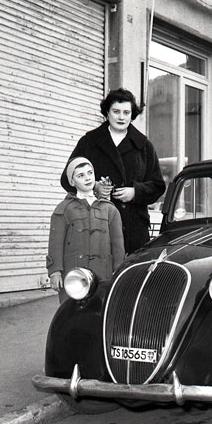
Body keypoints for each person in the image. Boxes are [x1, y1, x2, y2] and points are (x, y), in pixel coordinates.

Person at [60, 88, 166, 255]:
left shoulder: (144, 146)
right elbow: (66, 179)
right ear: (107, 113)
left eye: (126, 112)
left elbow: (158, 186)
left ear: (132, 114)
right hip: (95, 226)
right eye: (116, 111)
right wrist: (93, 186)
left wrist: (135, 192)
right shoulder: (89, 142)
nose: (121, 117)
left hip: (134, 230)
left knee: (132, 270)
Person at [48, 157, 125, 303]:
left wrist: (118, 270)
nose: (87, 178)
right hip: (73, 276)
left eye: (90, 173)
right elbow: (55, 243)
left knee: (100, 309)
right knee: (71, 311)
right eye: (80, 175)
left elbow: (118, 244)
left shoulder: (110, 209)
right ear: (72, 182)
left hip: (103, 274)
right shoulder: (64, 209)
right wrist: (55, 271)